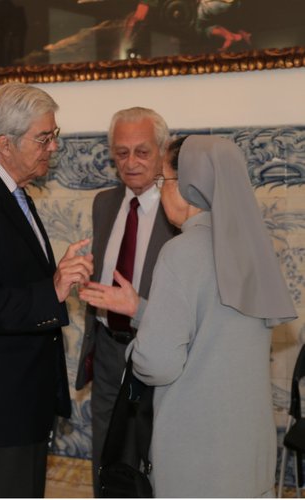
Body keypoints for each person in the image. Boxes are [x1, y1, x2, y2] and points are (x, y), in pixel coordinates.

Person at [80, 135, 297, 497]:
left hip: (197, 446)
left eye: (164, 180)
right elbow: (218, 326)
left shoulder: (180, 252)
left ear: (188, 186)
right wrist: (142, 310)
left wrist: (135, 351)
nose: (163, 190)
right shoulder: (253, 249)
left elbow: (157, 364)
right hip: (248, 443)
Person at [0, 82, 93, 498]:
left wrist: (54, 278)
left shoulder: (3, 188)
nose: (52, 147)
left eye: (54, 135)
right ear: (5, 143)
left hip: (18, 395)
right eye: (43, 138)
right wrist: (53, 290)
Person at [74, 106, 179, 496]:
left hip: (156, 349)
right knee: (106, 453)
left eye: (142, 152)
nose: (131, 163)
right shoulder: (104, 203)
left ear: (162, 150)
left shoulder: (179, 211)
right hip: (106, 350)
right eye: (121, 153)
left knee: (154, 452)